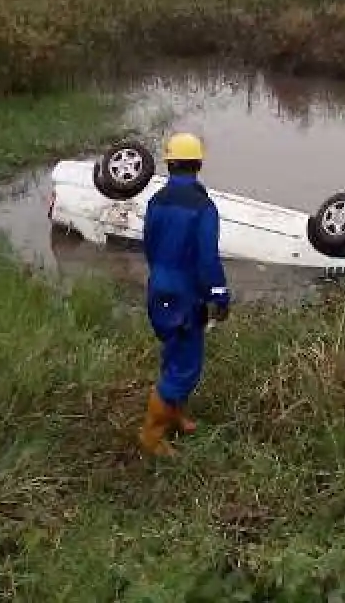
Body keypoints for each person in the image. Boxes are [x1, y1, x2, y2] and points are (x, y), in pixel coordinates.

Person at [138, 132, 230, 457]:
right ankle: (152, 436)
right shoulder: (204, 208)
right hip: (184, 296)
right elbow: (207, 260)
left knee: (173, 352)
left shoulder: (155, 201)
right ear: (199, 163)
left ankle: (174, 414)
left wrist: (163, 276)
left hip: (158, 286)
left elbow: (148, 245)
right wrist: (220, 295)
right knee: (185, 367)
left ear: (168, 162)